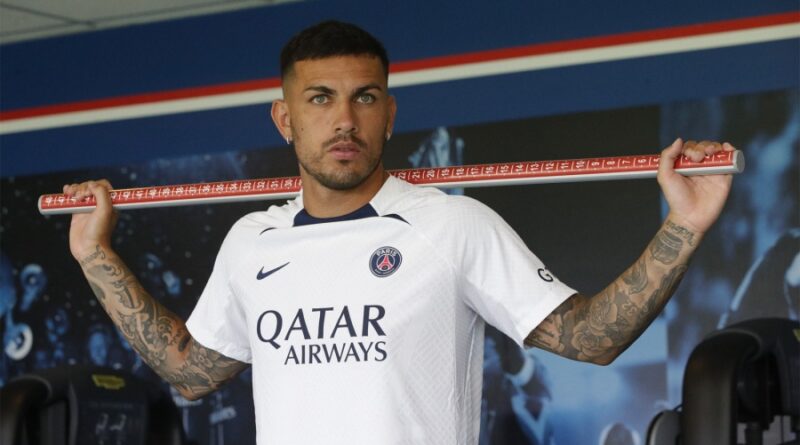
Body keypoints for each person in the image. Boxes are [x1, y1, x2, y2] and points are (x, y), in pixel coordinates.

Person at [62, 20, 735, 444]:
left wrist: (685, 222)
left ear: (389, 115)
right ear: (285, 119)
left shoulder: (452, 225)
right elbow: (189, 371)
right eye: (320, 99)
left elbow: (592, 338)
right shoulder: (251, 241)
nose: (344, 120)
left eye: (364, 97)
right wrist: (94, 253)